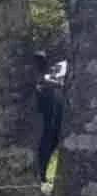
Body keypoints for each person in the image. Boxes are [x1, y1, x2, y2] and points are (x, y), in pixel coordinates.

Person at [34, 51, 64, 181]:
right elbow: (41, 80)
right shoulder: (43, 82)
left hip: (51, 119)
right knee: (46, 143)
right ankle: (41, 173)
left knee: (49, 142)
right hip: (46, 120)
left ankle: (41, 172)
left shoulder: (47, 82)